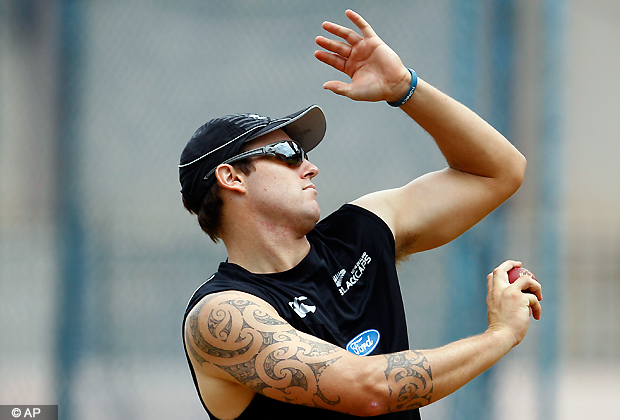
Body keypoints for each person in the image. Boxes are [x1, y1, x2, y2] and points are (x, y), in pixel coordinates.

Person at [178, 9, 542, 420]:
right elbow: (369, 390)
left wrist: (405, 88)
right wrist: (500, 335)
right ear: (231, 178)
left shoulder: (359, 232)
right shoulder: (222, 314)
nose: (309, 166)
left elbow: (500, 172)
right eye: (287, 154)